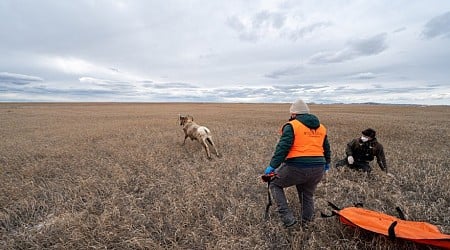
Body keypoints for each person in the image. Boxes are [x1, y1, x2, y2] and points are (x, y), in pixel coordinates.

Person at [264, 99, 331, 228]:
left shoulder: (292, 125)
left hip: (297, 166)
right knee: (307, 194)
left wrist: (272, 166)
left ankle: (288, 220)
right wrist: (327, 163)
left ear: (294, 114)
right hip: (318, 168)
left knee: (274, 184)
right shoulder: (321, 127)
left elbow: (283, 148)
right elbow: (326, 147)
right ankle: (307, 222)